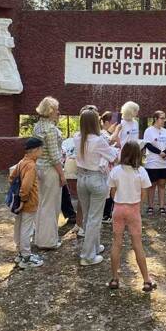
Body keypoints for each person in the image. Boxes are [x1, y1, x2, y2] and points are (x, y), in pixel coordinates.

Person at [108, 141, 157, 292]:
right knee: (137, 244)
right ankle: (146, 280)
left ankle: (115, 278)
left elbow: (112, 191)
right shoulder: (141, 171)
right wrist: (137, 204)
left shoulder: (116, 171)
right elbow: (144, 193)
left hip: (118, 208)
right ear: (138, 154)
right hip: (133, 209)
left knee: (117, 243)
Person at [74, 109, 119, 266]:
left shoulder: (77, 137)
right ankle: (87, 255)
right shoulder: (98, 140)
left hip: (81, 178)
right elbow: (113, 156)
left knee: (88, 216)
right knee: (95, 218)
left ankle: (94, 246)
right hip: (95, 178)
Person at [33, 96, 66, 249]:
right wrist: (62, 174)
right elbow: (55, 156)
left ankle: (40, 237)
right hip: (50, 170)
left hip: (39, 167)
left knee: (42, 204)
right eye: (56, 109)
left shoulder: (38, 126)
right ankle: (48, 241)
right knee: (51, 205)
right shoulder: (51, 129)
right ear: (51, 111)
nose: (58, 112)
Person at [10, 137, 44, 269]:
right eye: (41, 149)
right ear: (35, 150)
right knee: (27, 229)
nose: (41, 152)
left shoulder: (21, 162)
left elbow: (11, 178)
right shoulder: (31, 165)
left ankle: (20, 252)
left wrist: (17, 197)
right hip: (28, 202)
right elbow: (26, 185)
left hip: (19, 201)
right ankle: (26, 256)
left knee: (19, 227)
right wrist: (23, 199)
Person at [143, 110, 166, 216]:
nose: (164, 120)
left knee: (162, 184)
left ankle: (162, 207)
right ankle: (150, 206)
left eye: (165, 118)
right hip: (153, 163)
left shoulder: (165, 131)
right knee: (152, 185)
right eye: (162, 118)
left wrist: (165, 153)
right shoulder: (149, 131)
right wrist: (160, 153)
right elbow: (148, 145)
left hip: (164, 163)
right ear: (156, 119)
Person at [100, 111, 122, 223]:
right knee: (107, 189)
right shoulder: (102, 133)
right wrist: (116, 131)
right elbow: (110, 141)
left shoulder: (109, 134)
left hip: (113, 166)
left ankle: (109, 212)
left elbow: (117, 144)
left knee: (112, 188)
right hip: (105, 167)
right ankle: (105, 214)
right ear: (108, 122)